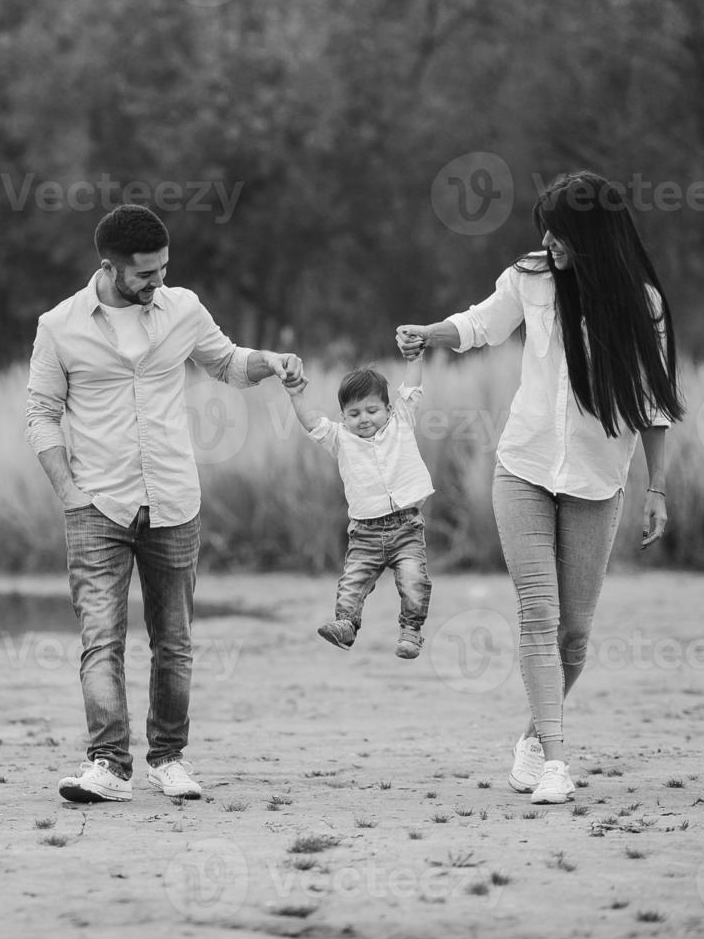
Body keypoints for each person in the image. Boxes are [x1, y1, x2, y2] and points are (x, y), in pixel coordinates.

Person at [397, 170, 683, 805]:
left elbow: (654, 405)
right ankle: (558, 761)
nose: (550, 240)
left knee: (574, 636)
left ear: (596, 234)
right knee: (538, 612)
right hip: (523, 467)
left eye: (563, 231)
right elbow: (480, 325)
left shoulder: (643, 307)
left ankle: (532, 737)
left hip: (596, 481)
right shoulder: (530, 277)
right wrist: (430, 332)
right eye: (545, 228)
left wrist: (656, 488)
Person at [24, 204, 303, 803]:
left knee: (173, 640)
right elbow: (41, 416)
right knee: (101, 638)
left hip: (174, 499)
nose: (158, 284)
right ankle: (107, 764)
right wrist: (69, 493)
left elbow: (226, 363)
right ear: (110, 267)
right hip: (97, 504)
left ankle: (168, 759)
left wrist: (271, 363)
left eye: (164, 270)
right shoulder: (59, 326)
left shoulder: (183, 308)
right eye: (146, 275)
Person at [282, 355, 434, 659]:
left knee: (414, 579)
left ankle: (411, 632)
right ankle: (346, 626)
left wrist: (414, 358)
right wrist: (296, 395)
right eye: (354, 413)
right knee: (352, 582)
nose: (364, 418)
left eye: (372, 410)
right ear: (343, 417)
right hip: (365, 533)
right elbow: (312, 422)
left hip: (406, 526)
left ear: (388, 409)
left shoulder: (401, 422)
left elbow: (412, 387)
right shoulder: (341, 439)